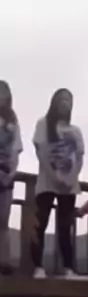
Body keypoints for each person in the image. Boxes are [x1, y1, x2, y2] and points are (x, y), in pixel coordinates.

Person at [31, 88, 84, 279]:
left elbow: (79, 157)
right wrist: (53, 175)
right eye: (61, 99)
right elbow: (40, 153)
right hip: (47, 183)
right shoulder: (43, 124)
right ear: (54, 102)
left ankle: (68, 268)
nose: (65, 103)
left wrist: (71, 178)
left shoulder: (75, 131)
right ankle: (38, 267)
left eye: (69, 100)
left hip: (69, 186)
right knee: (40, 224)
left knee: (65, 227)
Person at [0, 81, 22, 275]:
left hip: (6, 174)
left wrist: (11, 172)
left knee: (3, 220)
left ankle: (4, 261)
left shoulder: (12, 121)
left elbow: (16, 148)